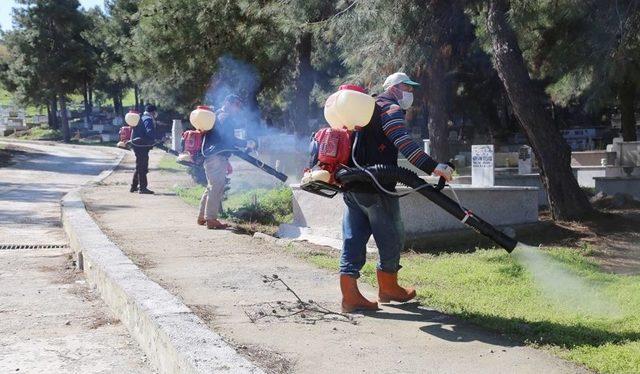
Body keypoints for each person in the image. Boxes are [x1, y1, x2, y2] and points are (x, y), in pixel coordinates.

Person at [340, 72, 453, 312]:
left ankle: (350, 297)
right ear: (393, 88)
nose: (410, 93)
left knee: (353, 240)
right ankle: (388, 288)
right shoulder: (388, 109)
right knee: (392, 236)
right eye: (407, 88)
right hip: (377, 187)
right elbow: (403, 142)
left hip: (352, 186)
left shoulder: (365, 109)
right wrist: (434, 166)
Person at [198, 95, 255, 229]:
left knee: (211, 186)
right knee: (216, 187)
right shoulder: (226, 117)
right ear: (227, 102)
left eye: (239, 105)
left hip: (213, 156)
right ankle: (211, 219)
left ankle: (202, 216)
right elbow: (230, 140)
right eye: (236, 104)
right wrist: (246, 142)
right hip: (216, 157)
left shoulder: (216, 115)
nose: (238, 107)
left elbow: (222, 141)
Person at [130, 104, 157, 194]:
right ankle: (143, 188)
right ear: (153, 112)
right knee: (143, 167)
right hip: (142, 146)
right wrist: (156, 139)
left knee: (139, 166)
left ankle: (133, 187)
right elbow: (150, 133)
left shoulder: (142, 117)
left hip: (137, 144)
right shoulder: (148, 119)